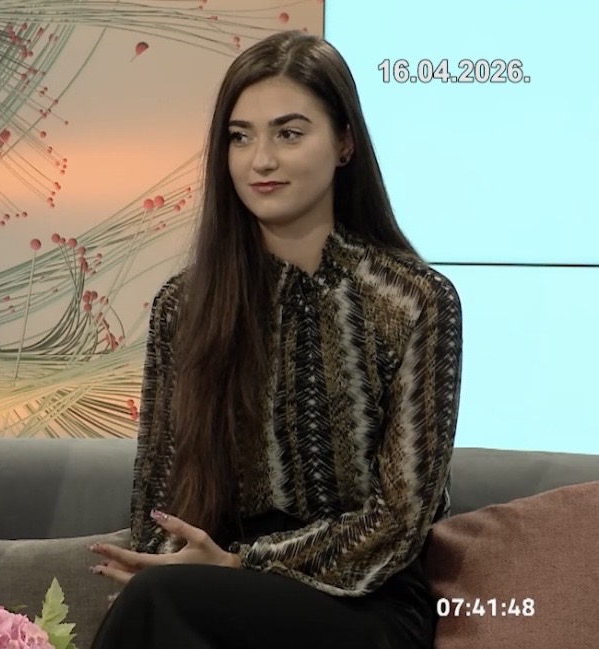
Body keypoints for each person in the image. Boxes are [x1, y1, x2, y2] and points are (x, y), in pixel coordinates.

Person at [87, 30, 462, 649]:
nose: (260, 160)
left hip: (365, 599)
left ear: (344, 143)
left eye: (289, 133)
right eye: (240, 137)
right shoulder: (183, 305)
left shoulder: (414, 300)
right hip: (207, 586)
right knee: (158, 599)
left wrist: (242, 564)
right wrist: (169, 561)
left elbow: (400, 519)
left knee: (163, 604)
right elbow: (159, 490)